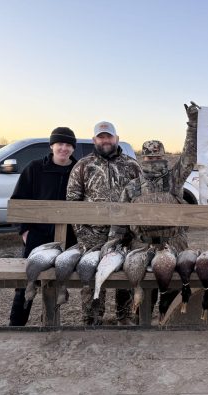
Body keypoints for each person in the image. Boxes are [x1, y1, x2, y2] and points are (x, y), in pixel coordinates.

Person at [109, 102, 199, 322]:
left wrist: (193, 125)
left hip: (174, 244)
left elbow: (189, 156)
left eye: (157, 157)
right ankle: (143, 327)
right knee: (143, 293)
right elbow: (121, 221)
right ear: (143, 159)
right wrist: (112, 243)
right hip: (143, 246)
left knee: (174, 291)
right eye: (149, 158)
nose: (153, 161)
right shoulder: (133, 187)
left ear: (164, 157)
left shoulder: (174, 179)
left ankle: (169, 324)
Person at [66, 121, 142, 326]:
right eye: (101, 137)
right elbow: (72, 203)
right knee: (91, 277)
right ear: (94, 140)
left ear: (116, 139)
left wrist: (133, 231)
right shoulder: (83, 165)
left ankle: (123, 316)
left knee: (126, 273)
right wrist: (83, 235)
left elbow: (141, 200)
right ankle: (92, 319)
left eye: (109, 136)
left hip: (124, 233)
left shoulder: (132, 165)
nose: (105, 140)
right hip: (92, 234)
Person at [9, 127, 78, 326]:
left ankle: (51, 322)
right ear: (52, 145)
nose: (64, 148)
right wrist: (25, 231)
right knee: (27, 281)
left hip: (69, 238)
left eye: (68, 145)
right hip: (38, 236)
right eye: (60, 144)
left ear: (73, 148)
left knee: (60, 278)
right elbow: (19, 201)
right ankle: (16, 324)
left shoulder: (77, 171)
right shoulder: (34, 168)